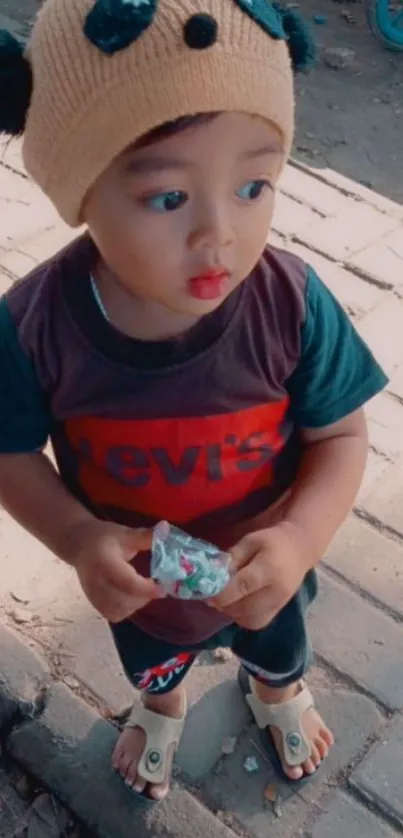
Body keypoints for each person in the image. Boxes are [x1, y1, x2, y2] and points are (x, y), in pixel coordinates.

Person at [0, 0, 387, 805]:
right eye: (168, 199)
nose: (219, 234)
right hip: (140, 585)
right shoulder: (33, 325)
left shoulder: (291, 301)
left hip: (266, 565)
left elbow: (341, 436)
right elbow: (8, 453)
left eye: (254, 184)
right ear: (79, 188)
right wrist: (75, 536)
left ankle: (275, 690)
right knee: (151, 659)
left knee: (279, 647)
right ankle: (163, 703)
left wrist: (298, 536)